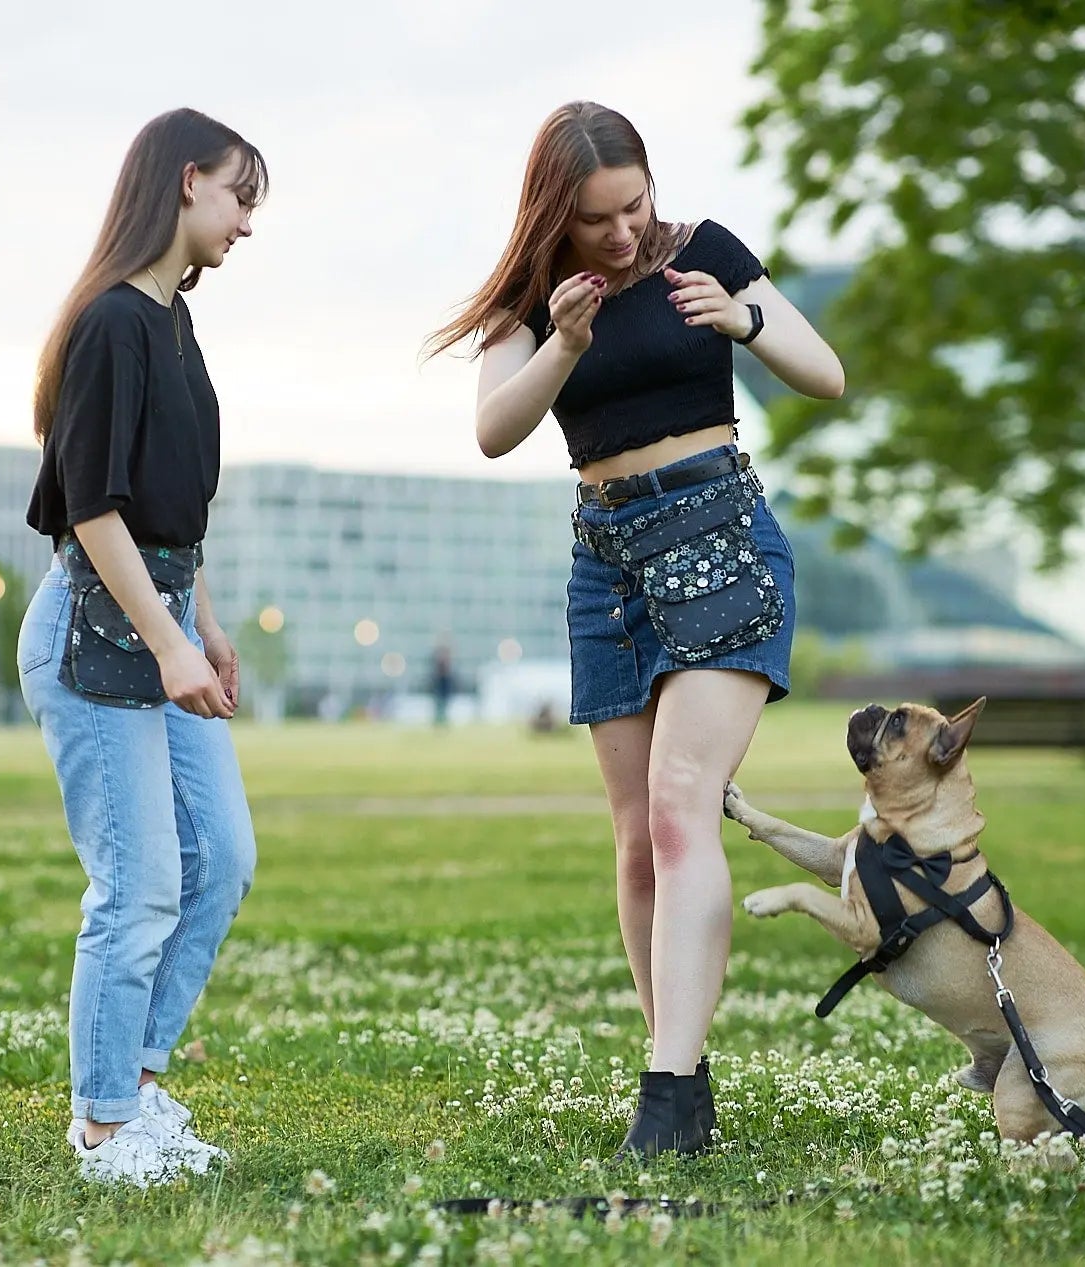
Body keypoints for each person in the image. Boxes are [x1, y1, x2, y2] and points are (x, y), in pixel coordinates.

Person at [427, 101, 844, 1159]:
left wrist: (742, 320)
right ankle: (683, 1074)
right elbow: (492, 429)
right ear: (554, 217)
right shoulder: (536, 300)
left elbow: (823, 370)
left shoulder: (701, 254)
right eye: (597, 219)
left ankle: (662, 1096)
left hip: (718, 531)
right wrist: (563, 342)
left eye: (634, 205)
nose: (622, 234)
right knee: (634, 843)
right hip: (606, 564)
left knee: (676, 809)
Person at [18, 108, 265, 1187]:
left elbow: (176, 515)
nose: (248, 225)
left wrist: (203, 628)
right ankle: (105, 1124)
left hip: (162, 626)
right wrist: (170, 646)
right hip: (95, 639)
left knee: (222, 859)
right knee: (138, 885)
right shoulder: (111, 323)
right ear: (185, 181)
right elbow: (94, 510)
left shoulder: (176, 324)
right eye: (241, 196)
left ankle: (140, 1085)